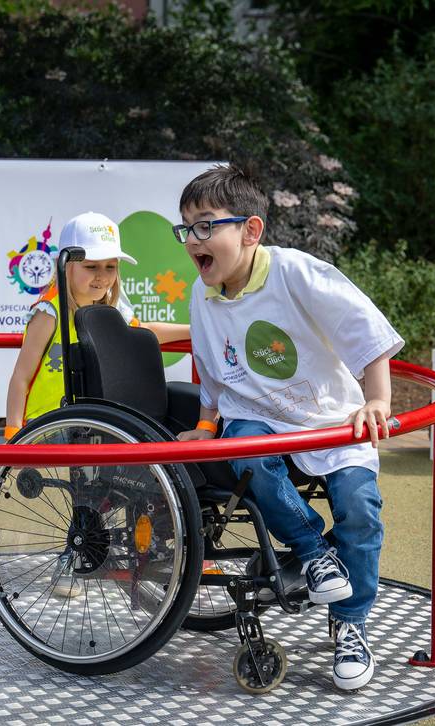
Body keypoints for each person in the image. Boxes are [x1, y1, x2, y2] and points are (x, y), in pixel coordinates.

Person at [173, 164, 403, 691]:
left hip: (327, 418)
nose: (192, 240)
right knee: (246, 450)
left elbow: (366, 330)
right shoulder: (202, 295)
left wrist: (378, 401)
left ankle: (350, 623)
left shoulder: (295, 272)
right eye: (186, 228)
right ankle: (313, 553)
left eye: (206, 225)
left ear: (250, 231)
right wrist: (208, 424)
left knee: (360, 510)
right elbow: (212, 371)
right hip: (262, 419)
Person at [3, 211, 189, 440]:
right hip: (48, 423)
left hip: (94, 420)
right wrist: (12, 433)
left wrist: (193, 331)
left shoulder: (112, 309)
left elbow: (142, 333)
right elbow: (21, 376)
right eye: (91, 267)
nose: (102, 276)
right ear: (66, 266)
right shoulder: (49, 312)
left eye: (110, 267)